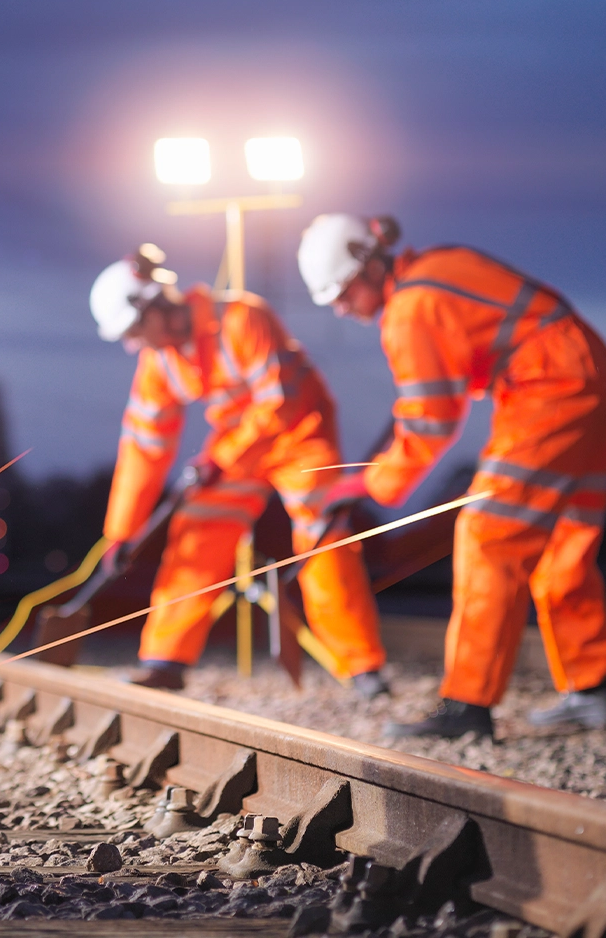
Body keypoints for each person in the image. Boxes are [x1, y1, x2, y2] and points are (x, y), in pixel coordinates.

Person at [298, 214, 606, 740]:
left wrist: (367, 485)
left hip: (548, 384)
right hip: (583, 367)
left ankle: (467, 706)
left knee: (489, 532)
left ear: (369, 266)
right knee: (565, 537)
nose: (341, 307)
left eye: (342, 293)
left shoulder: (410, 308)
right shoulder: (431, 271)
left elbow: (430, 420)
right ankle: (592, 688)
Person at [89, 245, 387, 696]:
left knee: (322, 535)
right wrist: (122, 532)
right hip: (236, 447)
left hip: (299, 433)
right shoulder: (159, 361)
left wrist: (218, 459)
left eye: (135, 331)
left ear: (157, 306)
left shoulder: (242, 317)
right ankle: (164, 661)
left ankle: (363, 668)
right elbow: (143, 447)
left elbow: (278, 403)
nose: (135, 344)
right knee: (196, 531)